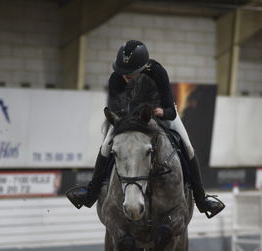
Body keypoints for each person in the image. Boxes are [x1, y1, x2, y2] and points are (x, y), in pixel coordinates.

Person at [66, 40, 225, 218]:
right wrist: (129, 117)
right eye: (123, 71)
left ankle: (201, 199)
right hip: (128, 119)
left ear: (142, 68)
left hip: (158, 114)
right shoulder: (115, 78)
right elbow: (115, 110)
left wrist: (160, 112)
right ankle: (90, 194)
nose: (125, 75)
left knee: (187, 147)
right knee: (105, 147)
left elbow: (171, 111)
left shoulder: (157, 72)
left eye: (131, 73)